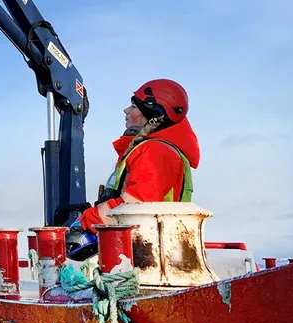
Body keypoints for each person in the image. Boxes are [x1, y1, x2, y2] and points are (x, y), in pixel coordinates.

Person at [67, 78, 201, 260]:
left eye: (134, 106)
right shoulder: (147, 149)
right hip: (141, 253)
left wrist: (87, 220)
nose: (126, 110)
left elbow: (135, 206)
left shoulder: (155, 152)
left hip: (150, 258)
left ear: (153, 115)